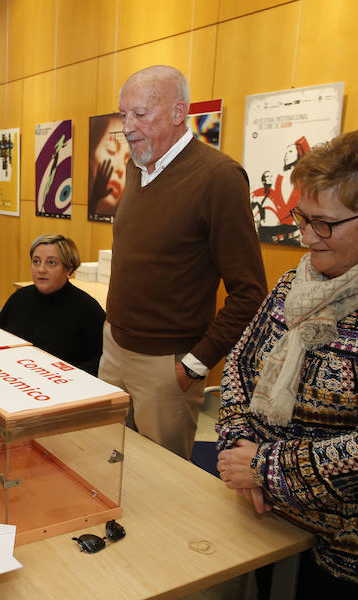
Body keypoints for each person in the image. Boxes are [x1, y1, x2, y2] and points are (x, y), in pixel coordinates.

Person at [216, 128, 358, 597]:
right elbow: (240, 369)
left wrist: (265, 467)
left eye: (324, 224)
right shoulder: (295, 284)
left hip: (354, 554)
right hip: (267, 521)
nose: (304, 236)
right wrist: (239, 448)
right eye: (302, 216)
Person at [99, 65, 267, 460]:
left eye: (140, 114)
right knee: (108, 460)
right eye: (123, 115)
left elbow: (250, 292)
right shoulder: (137, 168)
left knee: (162, 481)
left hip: (167, 365)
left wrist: (196, 362)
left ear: (178, 113)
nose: (128, 126)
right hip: (114, 349)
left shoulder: (219, 177)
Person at [0, 234, 105, 375]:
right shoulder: (20, 297)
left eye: (51, 263)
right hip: (12, 376)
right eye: (36, 261)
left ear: (69, 269)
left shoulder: (87, 308)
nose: (41, 269)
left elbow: (102, 359)